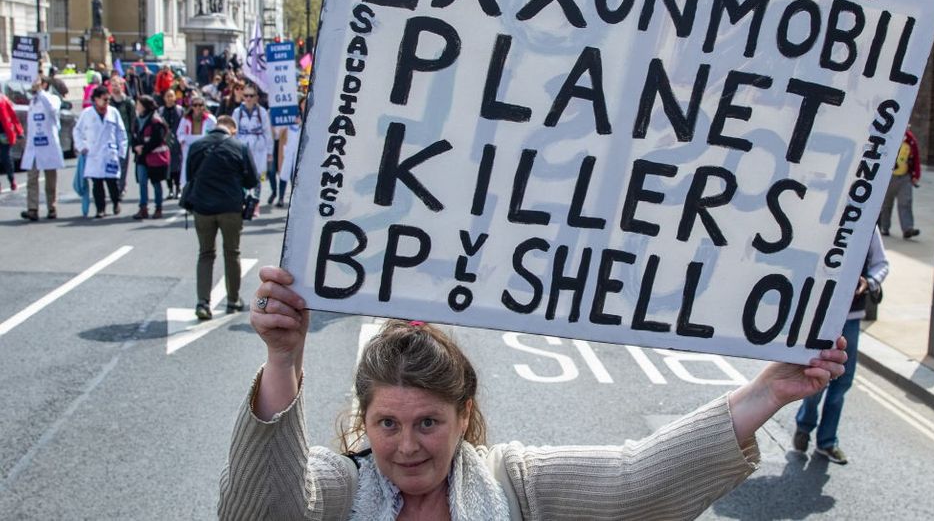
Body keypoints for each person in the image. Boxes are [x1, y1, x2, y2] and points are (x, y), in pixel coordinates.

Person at [219, 273, 848, 519]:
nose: (406, 447)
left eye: (429, 423)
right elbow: (265, 509)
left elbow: (634, 479)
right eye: (386, 423)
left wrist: (766, 392)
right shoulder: (338, 487)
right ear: (365, 419)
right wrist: (282, 357)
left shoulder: (512, 480)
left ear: (465, 416)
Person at [794, 228, 889, 465]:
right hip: (819, 315)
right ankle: (805, 424)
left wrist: (869, 281)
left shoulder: (869, 222)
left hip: (851, 316)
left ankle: (827, 442)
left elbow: (881, 263)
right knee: (817, 378)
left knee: (842, 381)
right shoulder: (821, 213)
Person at [185, 115, 259, 320]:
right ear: (232, 130)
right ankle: (233, 300)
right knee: (232, 252)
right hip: (230, 207)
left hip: (202, 208)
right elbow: (251, 180)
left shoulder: (197, 146)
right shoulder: (239, 147)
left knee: (205, 253)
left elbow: (189, 175)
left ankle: (202, 302)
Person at [73, 85, 128, 218]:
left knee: (112, 182)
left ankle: (116, 202)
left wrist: (122, 150)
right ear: (96, 99)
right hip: (94, 154)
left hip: (110, 153)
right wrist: (81, 146)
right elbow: (77, 131)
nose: (107, 102)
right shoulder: (87, 114)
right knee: (97, 184)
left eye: (108, 100)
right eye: (104, 99)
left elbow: (121, 132)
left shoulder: (113, 112)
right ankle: (100, 208)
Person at [19, 77, 64, 221]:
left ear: (44, 84)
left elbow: (52, 109)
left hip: (48, 145)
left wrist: (40, 91)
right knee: (31, 178)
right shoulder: (32, 102)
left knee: (50, 179)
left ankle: (52, 207)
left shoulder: (53, 98)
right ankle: (32, 208)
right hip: (33, 146)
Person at [231, 83, 272, 216]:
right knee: (242, 175)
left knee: (258, 176)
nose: (248, 98)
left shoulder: (262, 112)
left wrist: (270, 152)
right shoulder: (237, 112)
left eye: (251, 96)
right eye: (246, 95)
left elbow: (267, 133)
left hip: (258, 147)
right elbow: (233, 131)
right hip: (242, 146)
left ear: (256, 97)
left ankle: (255, 204)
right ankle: (243, 203)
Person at [878, 125, 921, 239]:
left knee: (905, 202)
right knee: (886, 204)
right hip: (888, 177)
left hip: (905, 176)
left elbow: (916, 158)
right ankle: (884, 227)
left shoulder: (910, 140)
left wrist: (916, 174)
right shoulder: (889, 137)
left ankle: (908, 228)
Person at [131, 95, 169, 219]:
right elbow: (134, 136)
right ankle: (143, 208)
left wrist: (144, 149)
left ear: (145, 106)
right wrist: (135, 147)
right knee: (142, 182)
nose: (137, 106)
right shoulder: (137, 120)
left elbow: (157, 139)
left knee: (156, 183)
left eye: (139, 104)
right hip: (141, 158)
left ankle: (158, 208)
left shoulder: (156, 120)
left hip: (155, 158)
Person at [176, 94, 217, 186]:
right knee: (187, 167)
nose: (198, 107)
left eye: (200, 105)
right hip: (188, 146)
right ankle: (186, 187)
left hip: (204, 146)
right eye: (195, 105)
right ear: (191, 107)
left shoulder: (210, 119)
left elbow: (215, 133)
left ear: (204, 106)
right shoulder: (185, 118)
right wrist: (182, 141)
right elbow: (180, 132)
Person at [108, 74, 136, 195]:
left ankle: (121, 185)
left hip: (125, 137)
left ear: (122, 86)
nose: (115, 88)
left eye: (117, 85)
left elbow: (133, 121)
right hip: (111, 137)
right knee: (112, 163)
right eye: (113, 85)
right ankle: (114, 185)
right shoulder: (108, 102)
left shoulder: (129, 102)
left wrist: (133, 137)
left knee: (123, 163)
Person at [275, 96, 304, 207]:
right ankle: (281, 198)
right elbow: (280, 134)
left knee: (295, 176)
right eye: (302, 102)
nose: (304, 105)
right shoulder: (291, 117)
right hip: (288, 151)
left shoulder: (308, 118)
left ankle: (295, 200)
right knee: (284, 174)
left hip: (299, 153)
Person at [159, 89, 184, 198]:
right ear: (164, 98)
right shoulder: (160, 111)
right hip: (165, 142)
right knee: (167, 166)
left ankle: (178, 188)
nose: (169, 99)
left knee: (177, 166)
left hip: (177, 141)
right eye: (167, 96)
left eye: (171, 96)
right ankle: (170, 189)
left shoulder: (180, 110)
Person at [0, 87, 25, 193]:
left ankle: (11, 179)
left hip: (4, 134)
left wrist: (19, 131)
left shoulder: (4, 100)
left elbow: (13, 116)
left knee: (6, 158)